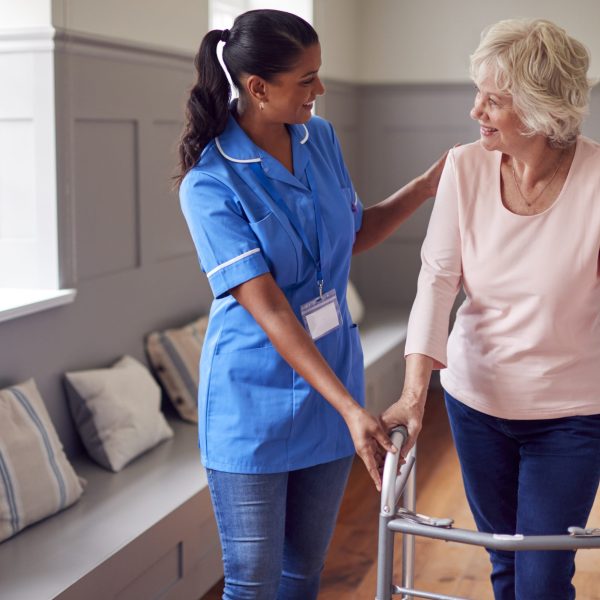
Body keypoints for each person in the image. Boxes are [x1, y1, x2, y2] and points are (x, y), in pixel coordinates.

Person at [176, 9, 446, 599]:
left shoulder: (318, 138)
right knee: (253, 582)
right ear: (258, 88)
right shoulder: (210, 183)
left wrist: (426, 186)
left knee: (304, 575)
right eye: (306, 79)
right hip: (252, 407)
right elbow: (269, 309)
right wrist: (354, 410)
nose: (319, 91)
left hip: (331, 396)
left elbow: (352, 234)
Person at [381, 18, 600, 600]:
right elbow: (436, 279)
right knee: (502, 560)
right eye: (477, 93)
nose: (475, 110)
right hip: (475, 402)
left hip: (571, 412)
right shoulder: (464, 166)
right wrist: (412, 393)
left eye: (493, 100)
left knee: (544, 574)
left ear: (539, 110)